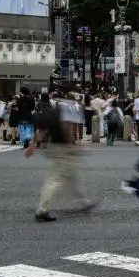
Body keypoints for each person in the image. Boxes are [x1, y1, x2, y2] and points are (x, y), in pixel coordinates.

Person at [26, 93, 97, 223]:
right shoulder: (67, 110)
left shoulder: (51, 112)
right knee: (54, 179)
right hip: (62, 147)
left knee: (71, 175)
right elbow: (67, 127)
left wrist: (33, 146)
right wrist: (72, 144)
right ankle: (42, 210)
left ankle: (83, 203)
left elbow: (41, 131)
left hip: (52, 146)